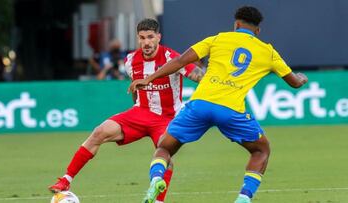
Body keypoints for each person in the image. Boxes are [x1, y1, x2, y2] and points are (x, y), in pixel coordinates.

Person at [129, 6, 308, 203]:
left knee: (164, 148)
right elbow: (294, 82)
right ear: (257, 31)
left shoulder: (217, 39)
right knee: (261, 150)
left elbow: (180, 61)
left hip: (200, 104)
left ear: (236, 25)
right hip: (230, 110)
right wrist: (301, 78)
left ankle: (155, 180)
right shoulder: (268, 52)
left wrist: (149, 79)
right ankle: (244, 198)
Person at [49, 18, 204, 203]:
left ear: (158, 37)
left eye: (150, 37)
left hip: (167, 118)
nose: (146, 42)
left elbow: (199, 76)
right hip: (140, 112)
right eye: (142, 38)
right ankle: (65, 180)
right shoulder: (130, 60)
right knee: (100, 132)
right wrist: (135, 98)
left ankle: (158, 200)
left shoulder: (172, 58)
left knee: (165, 155)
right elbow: (135, 88)